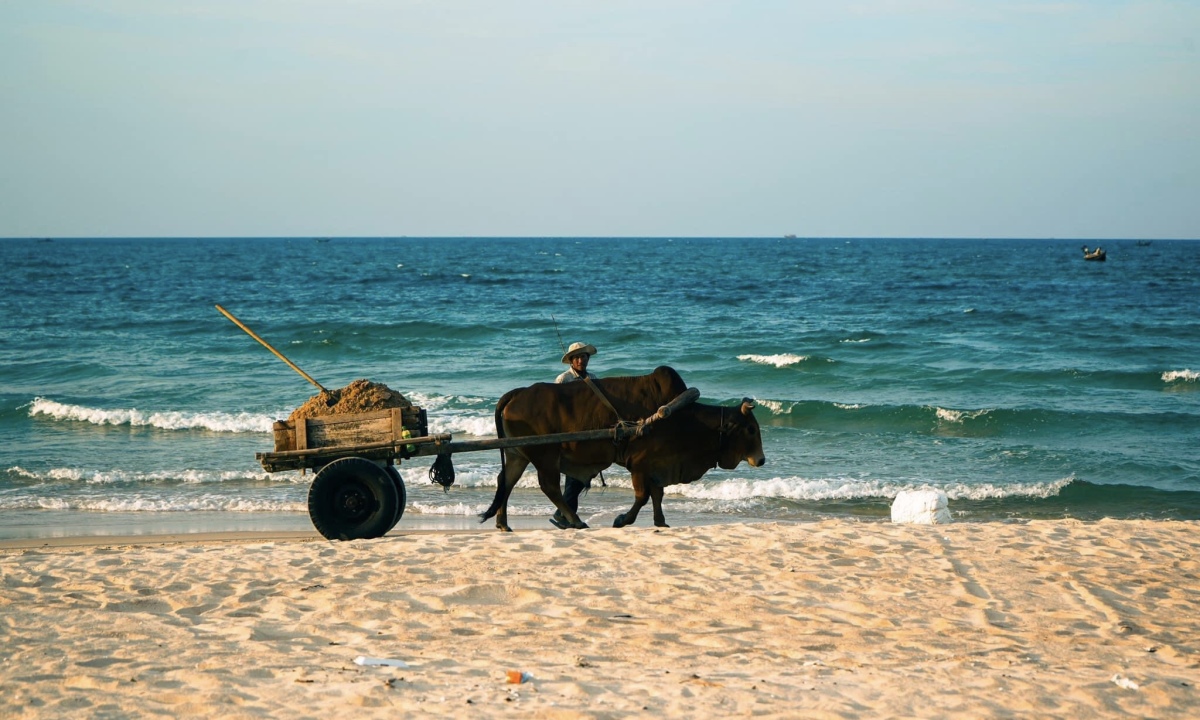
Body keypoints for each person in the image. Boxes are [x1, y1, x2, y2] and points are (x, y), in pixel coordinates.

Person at [550, 341, 598, 529]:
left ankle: (565, 514)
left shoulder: (593, 379)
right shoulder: (563, 380)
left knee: (582, 476)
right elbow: (555, 409)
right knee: (575, 475)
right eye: (577, 357)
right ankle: (565, 515)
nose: (581, 360)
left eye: (584, 356)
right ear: (571, 361)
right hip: (568, 435)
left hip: (588, 434)